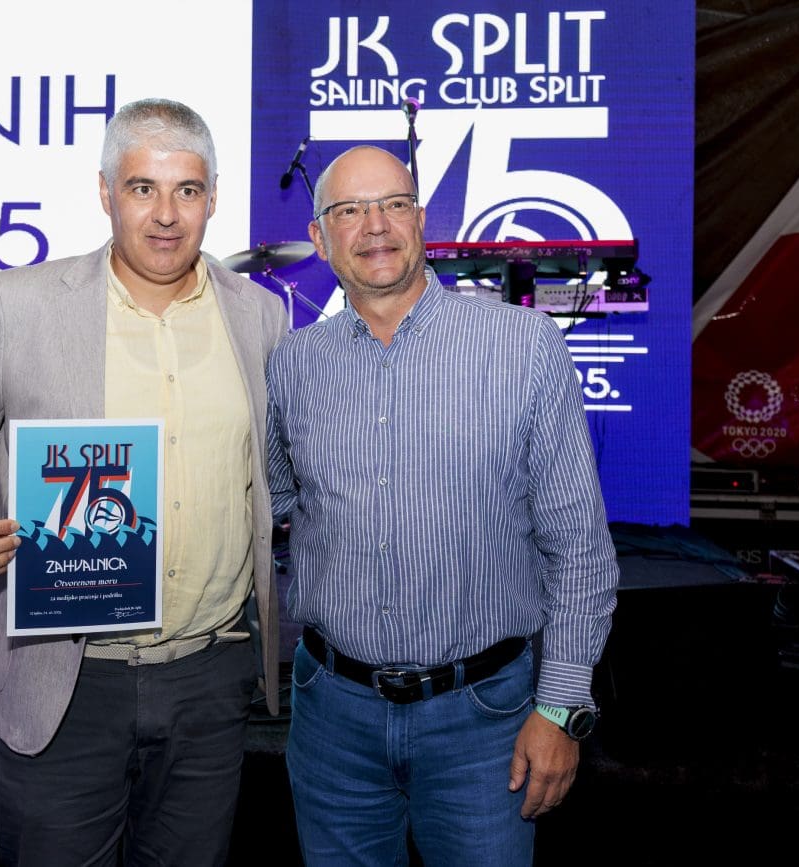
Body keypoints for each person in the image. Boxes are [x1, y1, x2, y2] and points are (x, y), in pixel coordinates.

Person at [0, 97, 289, 867]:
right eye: (143, 188)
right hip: (64, 678)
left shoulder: (260, 316)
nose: (166, 214)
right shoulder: (22, 306)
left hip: (210, 679)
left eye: (187, 190)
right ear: (106, 192)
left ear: (213, 198)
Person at [266, 145, 619, 866]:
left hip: (484, 723)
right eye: (349, 210)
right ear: (320, 236)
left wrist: (560, 707)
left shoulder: (524, 348)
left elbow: (579, 547)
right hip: (332, 720)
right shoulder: (293, 365)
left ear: (422, 221)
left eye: (393, 204)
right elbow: (272, 502)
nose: (375, 225)